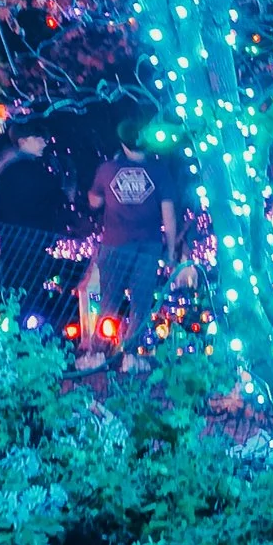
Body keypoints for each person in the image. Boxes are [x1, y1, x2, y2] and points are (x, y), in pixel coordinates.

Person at [81, 118, 179, 370]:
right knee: (141, 302)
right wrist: (169, 250)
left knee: (109, 301)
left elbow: (94, 202)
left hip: (114, 244)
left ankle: (99, 353)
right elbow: (168, 214)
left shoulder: (106, 170)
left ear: (123, 144)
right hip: (148, 246)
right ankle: (131, 355)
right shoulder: (160, 171)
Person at [0, 129, 74, 330]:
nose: (44, 143)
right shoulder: (34, 173)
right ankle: (28, 334)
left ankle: (13, 330)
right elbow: (58, 198)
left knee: (15, 291)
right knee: (30, 292)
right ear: (24, 141)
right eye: (38, 138)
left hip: (13, 242)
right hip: (31, 243)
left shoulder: (8, 172)